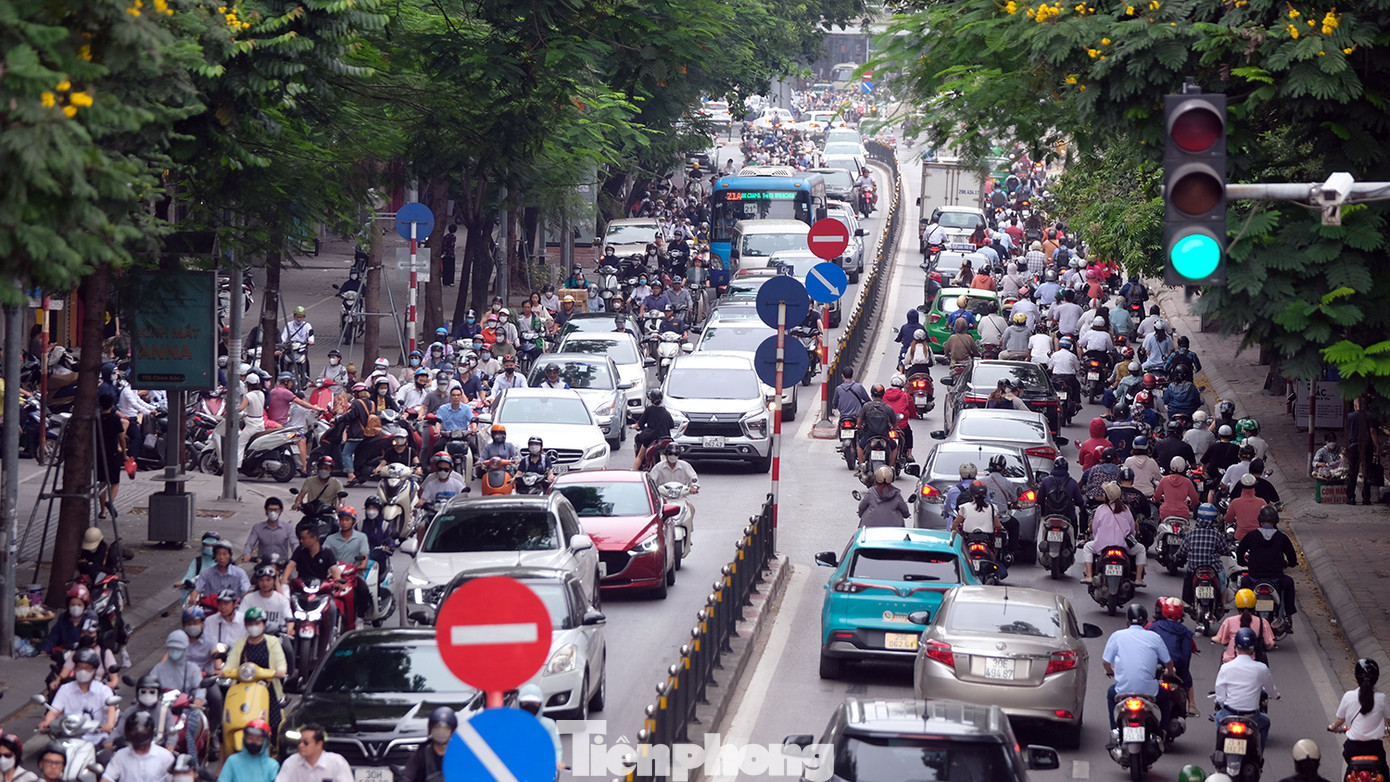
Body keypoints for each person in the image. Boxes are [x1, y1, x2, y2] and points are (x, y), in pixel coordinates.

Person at [1102, 604, 1174, 732]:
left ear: (1127, 622)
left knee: (1110, 693)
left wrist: (1110, 671)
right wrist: (1169, 671)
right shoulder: (1154, 637)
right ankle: (1163, 730)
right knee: (1164, 696)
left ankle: (1114, 730)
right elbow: (1168, 662)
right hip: (1149, 692)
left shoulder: (1117, 636)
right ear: (1146, 622)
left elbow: (1106, 662)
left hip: (1122, 690)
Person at [226, 608, 288, 737]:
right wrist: (224, 672)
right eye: (250, 624)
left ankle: (275, 750)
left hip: (267, 688)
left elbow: (280, 662)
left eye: (257, 623)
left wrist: (279, 671)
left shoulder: (272, 642)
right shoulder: (240, 643)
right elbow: (229, 665)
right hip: (241, 688)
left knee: (275, 725)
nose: (253, 627)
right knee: (226, 724)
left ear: (264, 625)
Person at [1214, 627, 1278, 749]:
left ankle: (1219, 752)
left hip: (1229, 713)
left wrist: (1225, 707)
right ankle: (1259, 756)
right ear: (1253, 648)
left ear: (1236, 647)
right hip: (1251, 717)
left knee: (1218, 719)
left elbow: (1220, 696)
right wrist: (1275, 695)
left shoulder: (1226, 667)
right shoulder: (1261, 668)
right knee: (1266, 723)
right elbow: (1271, 689)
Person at [1236, 505, 1299, 630]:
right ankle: (1288, 615)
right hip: (1276, 578)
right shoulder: (1282, 537)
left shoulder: (1251, 535)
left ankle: (1243, 615)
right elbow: (1292, 556)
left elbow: (1240, 551)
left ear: (1260, 520)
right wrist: (1291, 563)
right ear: (1276, 521)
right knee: (1289, 583)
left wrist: (1242, 562)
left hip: (1254, 578)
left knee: (1243, 583)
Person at [1328, 658, 1390, 779]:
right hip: (1374, 748)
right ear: (1376, 678)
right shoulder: (1381, 698)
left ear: (1356, 677)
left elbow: (1340, 720)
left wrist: (1333, 727)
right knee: (1384, 772)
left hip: (1353, 748)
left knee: (1349, 771)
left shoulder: (1348, 696)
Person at [40, 648, 117, 743]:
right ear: (75, 668)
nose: (83, 671)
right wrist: (47, 722)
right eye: (80, 667)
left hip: (97, 739)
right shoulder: (65, 689)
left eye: (87, 667)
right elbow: (53, 711)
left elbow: (110, 709)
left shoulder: (103, 690)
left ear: (94, 670)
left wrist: (109, 724)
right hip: (69, 739)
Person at [1083, 481, 1146, 585]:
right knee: (1141, 549)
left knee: (1087, 548)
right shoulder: (1126, 509)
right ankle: (1139, 578)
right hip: (1124, 546)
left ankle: (1089, 575)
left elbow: (1094, 529)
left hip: (1103, 546)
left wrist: (1097, 537)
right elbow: (1132, 529)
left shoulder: (1100, 509)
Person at [1147, 597, 1199, 717]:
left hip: (1156, 667)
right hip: (1175, 668)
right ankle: (1192, 704)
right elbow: (1186, 656)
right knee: (1188, 677)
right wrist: (1183, 671)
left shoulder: (1154, 627)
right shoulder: (1185, 632)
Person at [100, 711, 174, 782]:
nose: (139, 735)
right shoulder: (120, 756)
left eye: (143, 732)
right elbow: (107, 778)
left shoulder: (165, 757)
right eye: (135, 732)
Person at [1213, 588, 1276, 665]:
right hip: (1254, 662)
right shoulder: (1262, 622)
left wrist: (1213, 638)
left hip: (1230, 661)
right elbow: (1269, 644)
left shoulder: (1229, 621)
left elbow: (1221, 640)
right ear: (1254, 604)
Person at [275, 723, 352, 782]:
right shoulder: (291, 763)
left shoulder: (337, 763)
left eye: (306, 742)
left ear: (319, 744)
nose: (301, 745)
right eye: (299, 742)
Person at [516, 685, 564, 778]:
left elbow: (556, 746)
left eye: (534, 703)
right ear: (519, 703)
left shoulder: (549, 724)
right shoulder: (513, 724)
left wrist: (557, 762)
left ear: (540, 704)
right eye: (526, 703)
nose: (530, 706)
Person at [400, 707, 455, 782]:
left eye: (446, 728)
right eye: (437, 727)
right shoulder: (421, 754)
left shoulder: (458, 755)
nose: (441, 732)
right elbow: (407, 776)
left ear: (452, 730)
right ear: (430, 729)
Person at [190, 539, 250, 605]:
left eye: (224, 554)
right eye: (218, 554)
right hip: (211, 610)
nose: (221, 557)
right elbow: (196, 589)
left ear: (230, 555)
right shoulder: (206, 574)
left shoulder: (240, 573)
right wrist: (193, 598)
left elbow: (246, 591)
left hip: (233, 610)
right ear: (215, 556)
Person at [854, 384, 899, 473]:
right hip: (884, 437)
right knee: (895, 448)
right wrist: (892, 429)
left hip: (869, 436)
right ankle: (891, 467)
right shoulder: (888, 408)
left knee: (859, 446)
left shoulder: (867, 406)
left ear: (871, 395)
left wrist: (859, 427)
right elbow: (895, 424)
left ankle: (862, 465)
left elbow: (859, 422)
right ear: (883, 395)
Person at [1346, 396, 1382, 505]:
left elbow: (1347, 432)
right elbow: (1372, 432)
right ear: (1365, 406)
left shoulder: (1350, 416)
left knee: (1353, 472)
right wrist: (1377, 445)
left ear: (1355, 406)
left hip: (1353, 446)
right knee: (1367, 472)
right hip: (1367, 446)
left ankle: (1351, 498)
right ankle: (1366, 498)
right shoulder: (1370, 416)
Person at [242, 497, 295, 564]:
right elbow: (250, 543)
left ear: (280, 511)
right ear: (266, 511)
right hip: (263, 563)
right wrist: (247, 554)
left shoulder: (288, 527)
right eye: (270, 509)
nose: (273, 512)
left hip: (281, 565)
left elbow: (294, 543)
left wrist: (296, 557)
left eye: (275, 510)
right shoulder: (257, 527)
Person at [43, 584, 93, 653]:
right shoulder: (63, 619)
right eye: (72, 605)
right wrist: (45, 650)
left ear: (85, 606)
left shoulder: (90, 619)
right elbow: (53, 637)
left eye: (79, 605)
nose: (76, 608)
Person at [632, 389, 674, 470]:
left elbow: (640, 424)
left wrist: (634, 426)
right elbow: (671, 425)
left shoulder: (649, 410)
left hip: (651, 438)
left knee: (640, 456)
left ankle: (634, 473)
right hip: (665, 438)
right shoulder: (666, 412)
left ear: (651, 399)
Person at [341, 383, 372, 485]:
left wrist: (338, 419)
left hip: (356, 433)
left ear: (356, 393)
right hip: (369, 434)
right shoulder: (372, 403)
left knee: (346, 454)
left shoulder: (356, 403)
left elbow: (350, 416)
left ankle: (351, 475)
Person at [1154, 457, 1199, 521]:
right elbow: (1195, 500)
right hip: (1182, 513)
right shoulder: (1187, 482)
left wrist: (1160, 501)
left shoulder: (1164, 480)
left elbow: (1156, 497)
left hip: (1166, 512)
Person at [1225, 474, 1267, 541]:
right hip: (1258, 537)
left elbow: (1228, 519)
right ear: (1255, 487)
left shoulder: (1235, 502)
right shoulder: (1262, 502)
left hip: (1240, 537)